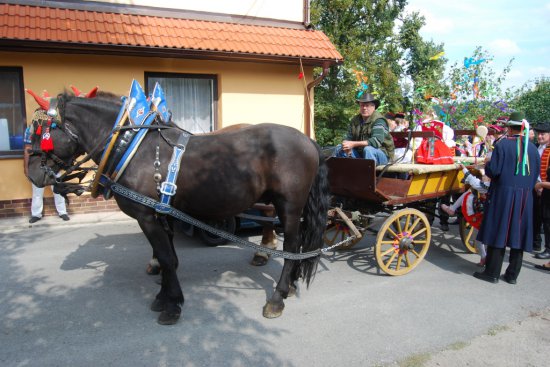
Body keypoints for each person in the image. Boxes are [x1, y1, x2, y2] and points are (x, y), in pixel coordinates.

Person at [473, 112, 540, 284]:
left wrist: (488, 165)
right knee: (519, 233)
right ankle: (512, 276)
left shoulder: (502, 145)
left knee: (499, 230)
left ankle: (492, 273)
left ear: (509, 128)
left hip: (503, 194)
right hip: (525, 196)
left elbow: (493, 171)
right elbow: (535, 175)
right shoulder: (532, 148)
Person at [441, 164, 490, 265]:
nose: (483, 176)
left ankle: (484, 257)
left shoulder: (486, 186)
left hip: (482, 214)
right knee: (482, 239)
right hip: (489, 213)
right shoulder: (493, 184)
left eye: (485, 175)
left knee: (480, 239)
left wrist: (464, 169)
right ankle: (484, 258)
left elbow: (474, 182)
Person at [23, 123, 70, 223]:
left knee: (58, 189)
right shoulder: (30, 130)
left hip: (53, 163)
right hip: (37, 164)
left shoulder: (54, 127)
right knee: (37, 192)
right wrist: (26, 167)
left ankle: (63, 212)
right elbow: (27, 148)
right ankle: (36, 214)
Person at [333, 93, 395, 165]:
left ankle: (368, 175)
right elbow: (348, 137)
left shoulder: (379, 120)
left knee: (368, 150)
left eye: (367, 105)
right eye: (362, 105)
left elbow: (376, 141)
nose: (364, 108)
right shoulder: (355, 120)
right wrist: (346, 145)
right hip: (361, 154)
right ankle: (346, 174)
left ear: (373, 107)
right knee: (339, 148)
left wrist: (353, 144)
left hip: (382, 154)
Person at [533, 122, 550, 258]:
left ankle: (549, 248)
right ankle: (536, 242)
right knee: (538, 217)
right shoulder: (539, 147)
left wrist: (542, 185)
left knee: (547, 219)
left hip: (545, 188)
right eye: (539, 134)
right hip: (538, 186)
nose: (540, 136)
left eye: (543, 134)